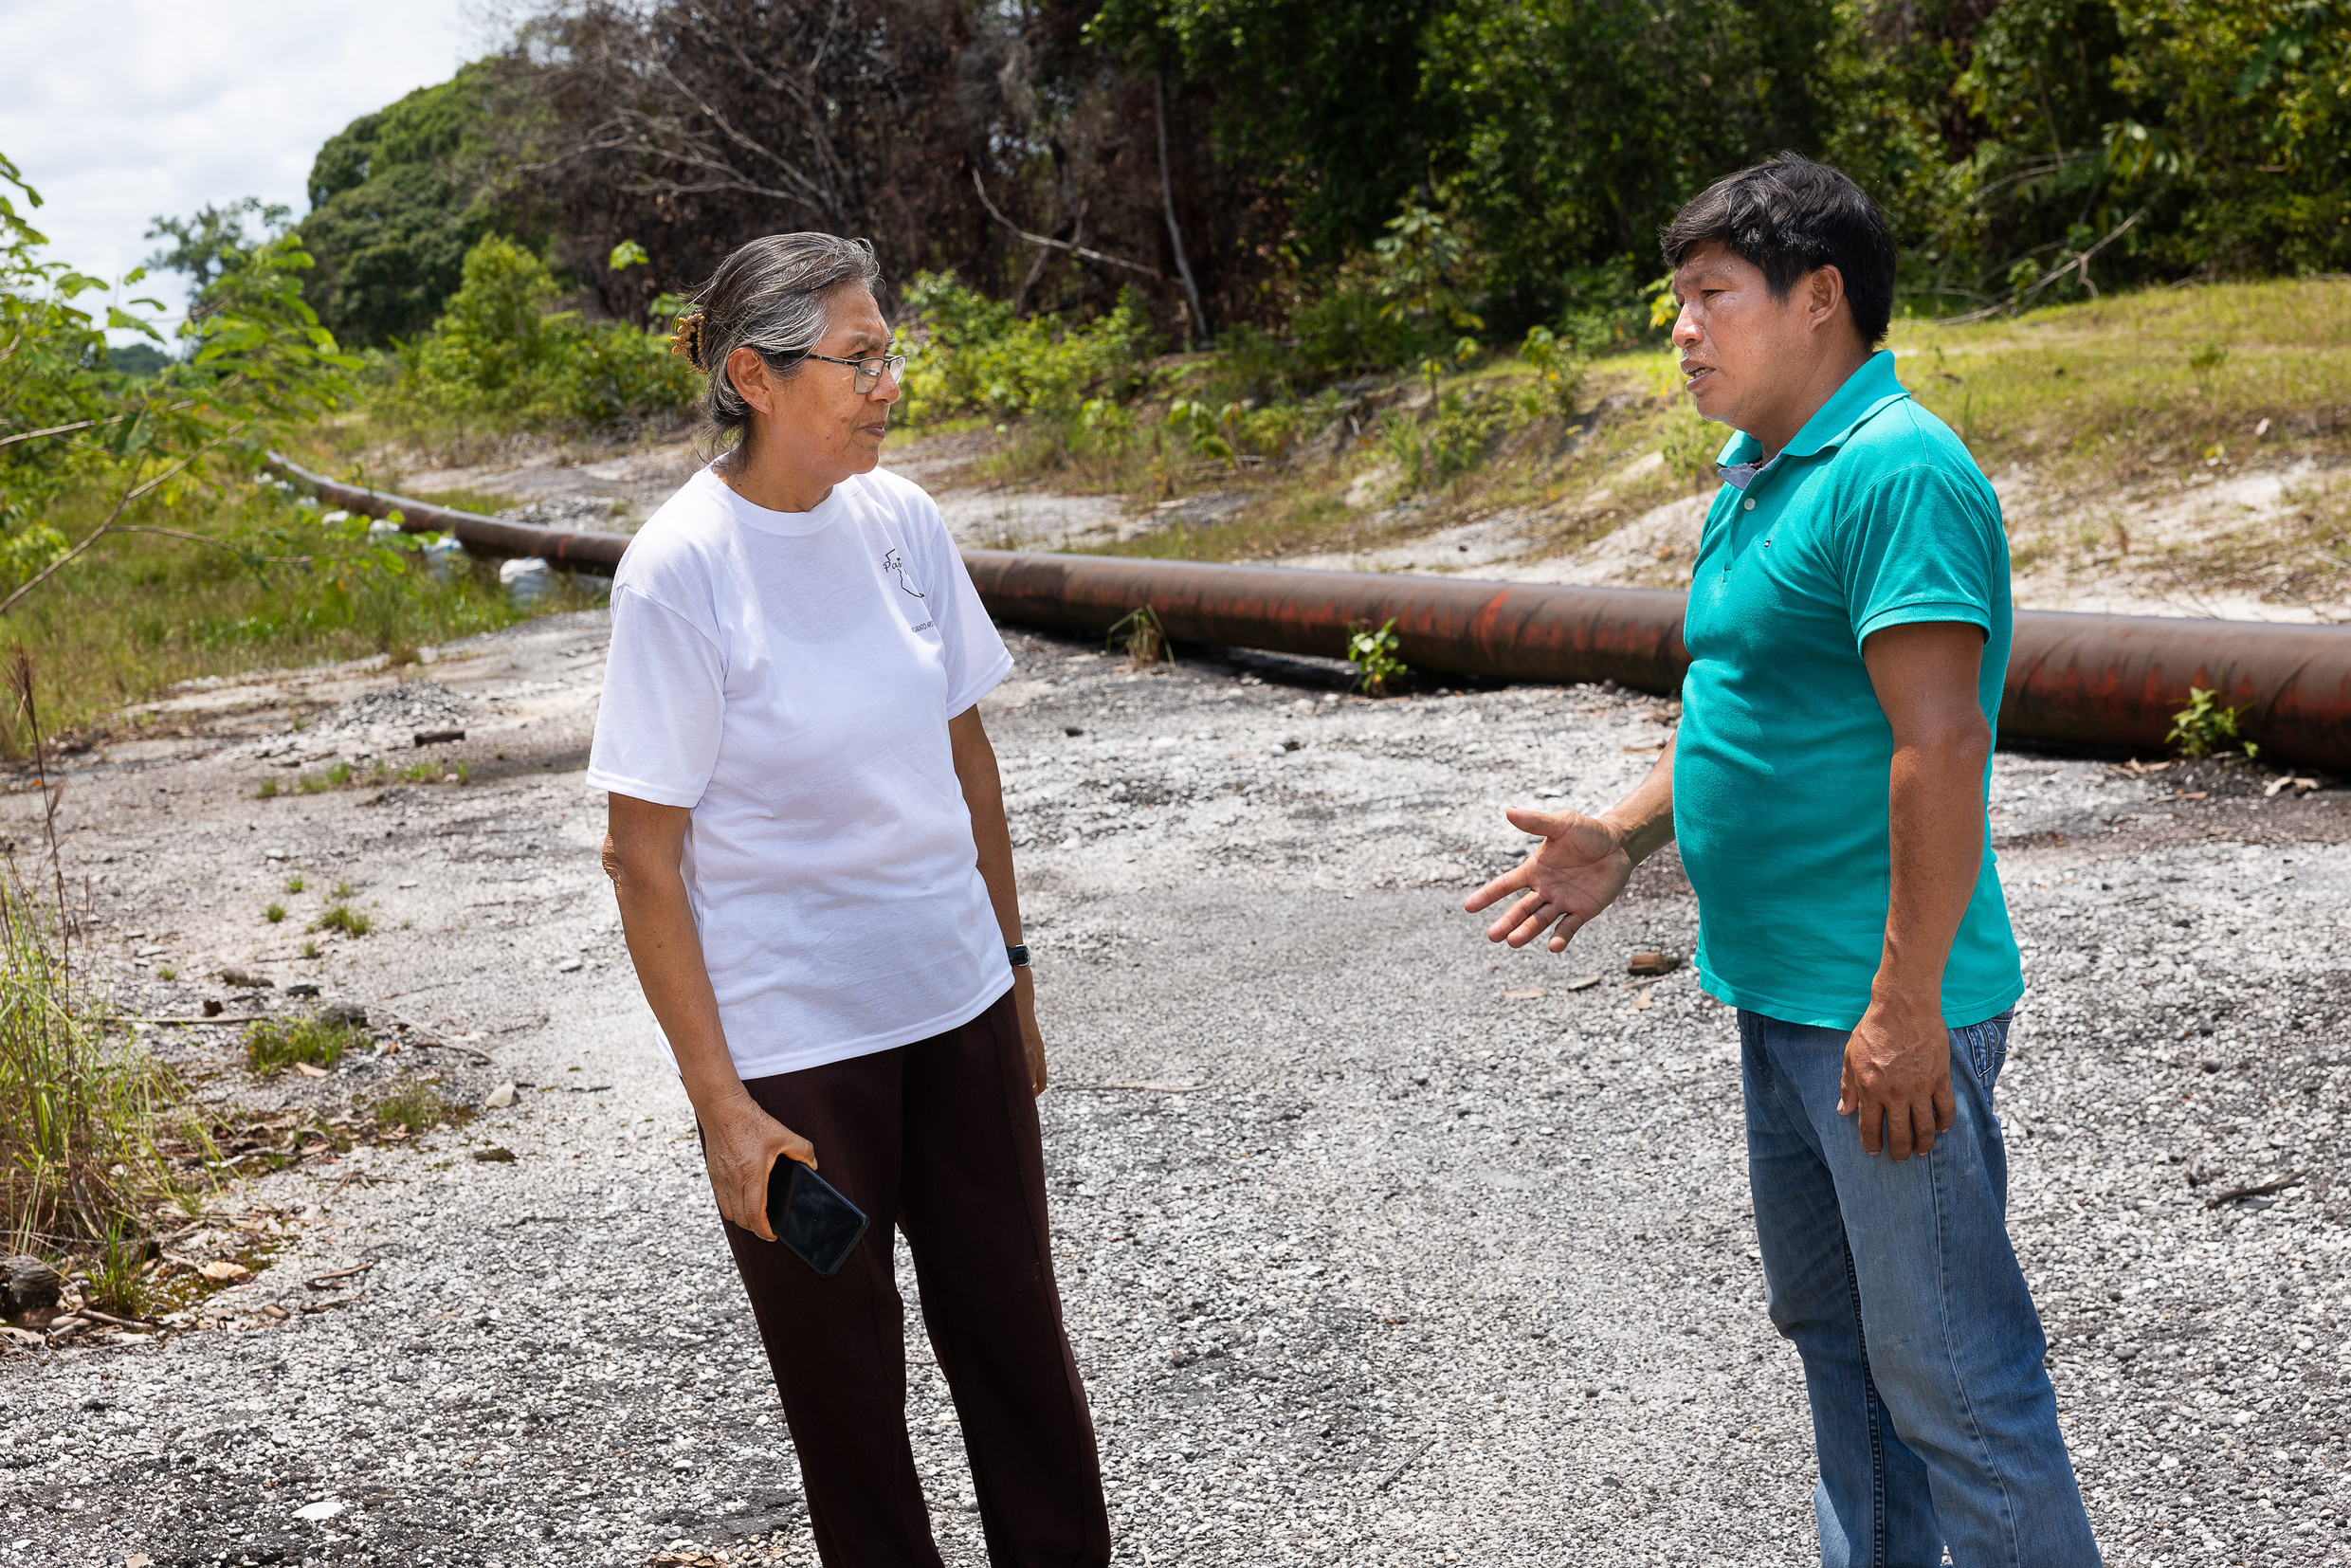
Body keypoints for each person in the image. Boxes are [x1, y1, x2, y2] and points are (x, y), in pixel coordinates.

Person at [1466, 156, 2102, 1567]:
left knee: (1958, 1387)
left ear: (1821, 298)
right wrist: (1623, 835)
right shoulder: (1759, 474)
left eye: (1712, 297)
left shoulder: (1897, 470)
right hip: (1780, 998)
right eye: (1677, 301)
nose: (1681, 329)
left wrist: (1903, 1006)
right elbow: (1745, 702)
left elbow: (1940, 742)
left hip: (1876, 1012)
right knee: (1843, 1353)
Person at [590, 232, 1112, 1568]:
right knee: (848, 1397)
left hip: (957, 1003)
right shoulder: (680, 569)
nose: (890, 382)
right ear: (755, 378)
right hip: (797, 1056)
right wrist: (722, 1108)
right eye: (859, 358)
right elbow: (641, 860)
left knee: (1018, 1343)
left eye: (890, 352)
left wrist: (1014, 974)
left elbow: (967, 760)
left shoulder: (902, 519)